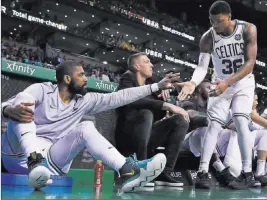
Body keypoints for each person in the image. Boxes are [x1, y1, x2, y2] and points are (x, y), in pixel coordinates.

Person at [1, 61, 181, 192]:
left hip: (52, 162)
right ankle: (34, 160)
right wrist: (7, 109)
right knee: (22, 108)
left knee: (86, 127)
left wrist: (155, 87)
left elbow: (119, 97)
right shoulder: (41, 89)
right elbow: (10, 105)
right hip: (18, 155)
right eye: (81, 75)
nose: (86, 78)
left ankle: (128, 171)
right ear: (67, 78)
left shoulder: (85, 100)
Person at [177, 1, 258, 189]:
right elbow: (202, 67)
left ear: (229, 17)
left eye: (219, 21)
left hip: (242, 83)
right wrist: (192, 82)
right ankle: (203, 172)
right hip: (219, 82)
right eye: (212, 21)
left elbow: (250, 63)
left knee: (240, 119)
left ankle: (248, 174)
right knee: (213, 124)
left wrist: (228, 83)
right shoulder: (208, 37)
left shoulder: (247, 29)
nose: (215, 25)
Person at [116, 52, 189, 187]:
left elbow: (155, 113)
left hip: (146, 137)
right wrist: (166, 105)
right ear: (137, 66)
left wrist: (162, 98)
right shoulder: (127, 78)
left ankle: (164, 172)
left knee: (180, 120)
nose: (151, 65)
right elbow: (132, 101)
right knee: (145, 112)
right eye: (147, 61)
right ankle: (141, 171)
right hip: (128, 137)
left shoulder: (151, 85)